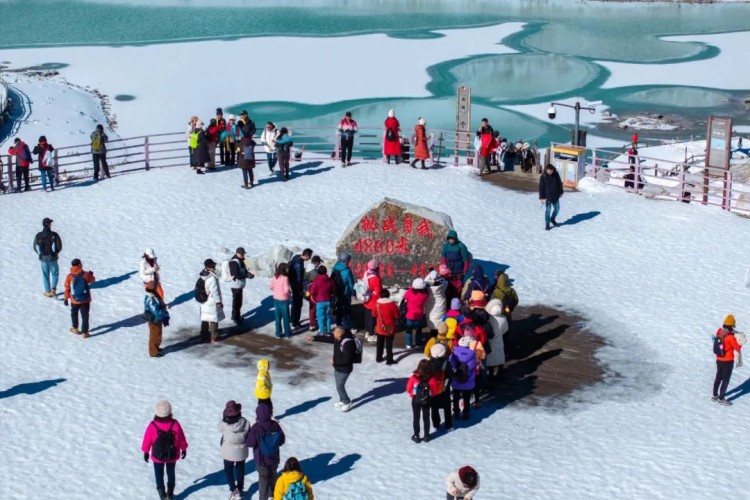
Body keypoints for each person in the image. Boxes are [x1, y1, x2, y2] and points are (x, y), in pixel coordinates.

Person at [141, 400, 188, 500]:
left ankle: (162, 495)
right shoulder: (175, 424)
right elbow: (181, 438)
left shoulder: (152, 425)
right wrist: (184, 448)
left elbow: (147, 439)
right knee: (171, 472)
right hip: (172, 454)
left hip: (158, 456)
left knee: (159, 474)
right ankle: (170, 494)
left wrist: (146, 451)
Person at [246, 403, 285, 500]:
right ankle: (274, 494)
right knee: (273, 474)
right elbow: (282, 440)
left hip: (261, 459)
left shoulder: (256, 427)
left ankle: (263, 497)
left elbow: (250, 443)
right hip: (274, 457)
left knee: (263, 478)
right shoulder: (275, 425)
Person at [218, 400, 250, 500]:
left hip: (228, 452)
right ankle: (240, 488)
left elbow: (219, 428)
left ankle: (233, 490)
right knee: (240, 469)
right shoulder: (245, 422)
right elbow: (249, 432)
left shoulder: (224, 424)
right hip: (242, 450)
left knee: (228, 470)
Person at [406, 358, 440, 443]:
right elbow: (435, 390)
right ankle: (426, 435)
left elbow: (408, 388)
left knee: (416, 418)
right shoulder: (432, 379)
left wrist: (413, 395)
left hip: (416, 400)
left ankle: (416, 435)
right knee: (426, 417)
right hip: (427, 401)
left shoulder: (414, 377)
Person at [713, 314, 742, 406]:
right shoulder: (730, 338)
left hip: (719, 359)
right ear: (730, 326)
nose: (734, 327)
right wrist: (741, 341)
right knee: (725, 380)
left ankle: (714, 396)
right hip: (728, 361)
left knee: (718, 377)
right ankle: (721, 399)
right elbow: (737, 347)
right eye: (733, 326)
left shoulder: (719, 332)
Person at [63, 258, 96, 338]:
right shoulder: (85, 274)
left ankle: (75, 328)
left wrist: (66, 298)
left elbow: (67, 288)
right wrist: (91, 274)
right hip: (85, 299)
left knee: (74, 314)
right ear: (79, 265)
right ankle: (85, 332)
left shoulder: (69, 276)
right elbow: (93, 280)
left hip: (74, 300)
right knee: (85, 316)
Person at [34, 217, 62, 298]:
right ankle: (53, 289)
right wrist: (55, 253)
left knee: (45, 275)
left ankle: (47, 291)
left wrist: (40, 254)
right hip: (53, 258)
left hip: (43, 258)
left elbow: (35, 247)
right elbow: (59, 246)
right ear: (49, 224)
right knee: (55, 274)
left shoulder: (38, 235)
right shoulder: (54, 235)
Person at [450, 336, 477, 420]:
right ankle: (466, 411)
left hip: (456, 379)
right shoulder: (472, 354)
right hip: (468, 380)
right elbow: (473, 366)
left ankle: (456, 412)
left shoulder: (454, 353)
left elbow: (451, 365)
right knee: (466, 397)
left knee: (456, 396)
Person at [428, 342, 453, 431]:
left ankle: (436, 424)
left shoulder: (429, 363)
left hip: (433, 389)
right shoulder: (447, 363)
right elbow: (451, 376)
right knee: (447, 407)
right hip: (444, 389)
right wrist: (445, 386)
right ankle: (448, 425)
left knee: (434, 407)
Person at [332, 326, 356, 412]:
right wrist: (314, 338)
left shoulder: (348, 343)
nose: (333, 333)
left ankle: (347, 402)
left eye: (334, 331)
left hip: (345, 369)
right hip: (337, 367)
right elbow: (327, 339)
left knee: (340, 386)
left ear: (339, 334)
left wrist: (334, 362)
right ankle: (342, 400)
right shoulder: (337, 338)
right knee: (338, 385)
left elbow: (346, 360)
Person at [199, 259, 224, 343]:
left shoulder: (203, 275)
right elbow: (215, 291)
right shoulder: (212, 278)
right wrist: (218, 302)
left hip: (204, 301)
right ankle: (215, 336)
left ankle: (203, 335)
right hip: (211, 301)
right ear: (210, 267)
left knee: (205, 318)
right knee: (213, 319)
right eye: (213, 265)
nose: (215, 266)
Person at [373, 288, 399, 364]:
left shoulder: (377, 304)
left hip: (380, 327)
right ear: (388, 295)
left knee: (379, 344)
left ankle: (378, 358)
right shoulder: (392, 304)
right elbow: (397, 315)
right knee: (389, 345)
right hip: (390, 328)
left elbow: (373, 314)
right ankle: (389, 359)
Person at [228, 247, 254, 325]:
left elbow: (243, 270)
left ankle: (236, 316)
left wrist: (248, 273)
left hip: (239, 285)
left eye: (243, 253)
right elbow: (235, 275)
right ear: (237, 253)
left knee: (239, 301)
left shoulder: (240, 260)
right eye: (241, 254)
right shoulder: (234, 262)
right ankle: (235, 317)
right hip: (235, 285)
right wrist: (246, 275)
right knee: (236, 302)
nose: (243, 255)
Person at [484, 299, 508, 382]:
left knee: (491, 359)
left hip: (491, 341)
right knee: (500, 357)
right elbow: (505, 329)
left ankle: (491, 375)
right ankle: (501, 372)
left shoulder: (489, 319)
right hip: (499, 341)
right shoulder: (503, 318)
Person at [402, 278, 429, 348]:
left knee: (409, 331)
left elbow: (405, 297)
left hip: (409, 315)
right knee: (419, 331)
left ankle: (408, 344)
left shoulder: (410, 292)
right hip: (419, 316)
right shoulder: (424, 295)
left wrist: (411, 288)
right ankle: (418, 343)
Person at [309, 265, 336, 335]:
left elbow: (312, 292)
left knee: (320, 317)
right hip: (328, 300)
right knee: (328, 316)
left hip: (320, 302)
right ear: (326, 271)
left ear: (318, 272)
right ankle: (329, 331)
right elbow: (333, 289)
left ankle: (322, 331)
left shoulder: (316, 281)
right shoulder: (330, 280)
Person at [144, 284, 170, 358]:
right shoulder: (151, 299)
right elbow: (156, 312)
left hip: (156, 319)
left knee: (158, 334)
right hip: (155, 320)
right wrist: (165, 314)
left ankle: (156, 348)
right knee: (154, 336)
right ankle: (153, 352)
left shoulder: (152, 296)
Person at [288, 249, 312, 328]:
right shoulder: (299, 264)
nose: (309, 258)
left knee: (295, 302)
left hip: (293, 283)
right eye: (309, 256)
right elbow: (299, 277)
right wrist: (301, 288)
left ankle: (292, 319)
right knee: (298, 303)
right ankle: (296, 322)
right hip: (297, 285)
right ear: (307, 255)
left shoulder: (296, 257)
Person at [331, 254, 355, 330]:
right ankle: (347, 325)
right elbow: (351, 283)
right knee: (346, 309)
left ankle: (338, 324)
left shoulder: (335, 267)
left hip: (337, 291)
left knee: (339, 308)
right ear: (346, 260)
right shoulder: (347, 270)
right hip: (345, 292)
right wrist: (353, 292)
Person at [424, 268, 450, 337]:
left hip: (430, 305)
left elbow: (425, 281)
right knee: (440, 320)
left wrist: (429, 277)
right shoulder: (442, 285)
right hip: (440, 304)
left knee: (432, 319)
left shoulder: (427, 287)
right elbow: (445, 282)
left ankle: (432, 335)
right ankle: (440, 333)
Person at [269, 262, 292, 338]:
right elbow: (286, 290)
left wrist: (276, 291)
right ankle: (287, 333)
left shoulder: (275, 276)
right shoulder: (285, 278)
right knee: (286, 317)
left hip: (276, 298)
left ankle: (278, 333)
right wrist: (289, 293)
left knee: (277, 317)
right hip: (284, 299)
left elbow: (271, 286)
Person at [539, 163, 564, 231]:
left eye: (551, 170)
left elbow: (559, 183)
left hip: (555, 195)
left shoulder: (556, 174)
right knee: (548, 211)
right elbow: (541, 188)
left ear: (553, 169)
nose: (550, 172)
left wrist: (561, 192)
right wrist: (541, 197)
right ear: (546, 170)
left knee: (557, 209)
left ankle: (552, 219)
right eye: (548, 170)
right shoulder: (543, 176)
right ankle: (547, 224)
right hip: (547, 197)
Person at [362, 259, 382, 342]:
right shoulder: (376, 278)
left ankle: (367, 332)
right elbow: (378, 291)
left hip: (366, 299)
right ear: (376, 268)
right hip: (373, 301)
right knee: (372, 319)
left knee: (367, 317)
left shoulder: (366, 273)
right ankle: (371, 335)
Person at [303, 255, 323, 332]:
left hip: (306, 292)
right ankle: (313, 324)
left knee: (312, 308)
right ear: (317, 262)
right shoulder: (315, 272)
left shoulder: (307, 268)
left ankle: (312, 324)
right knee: (315, 308)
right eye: (319, 262)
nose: (319, 264)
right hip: (313, 293)